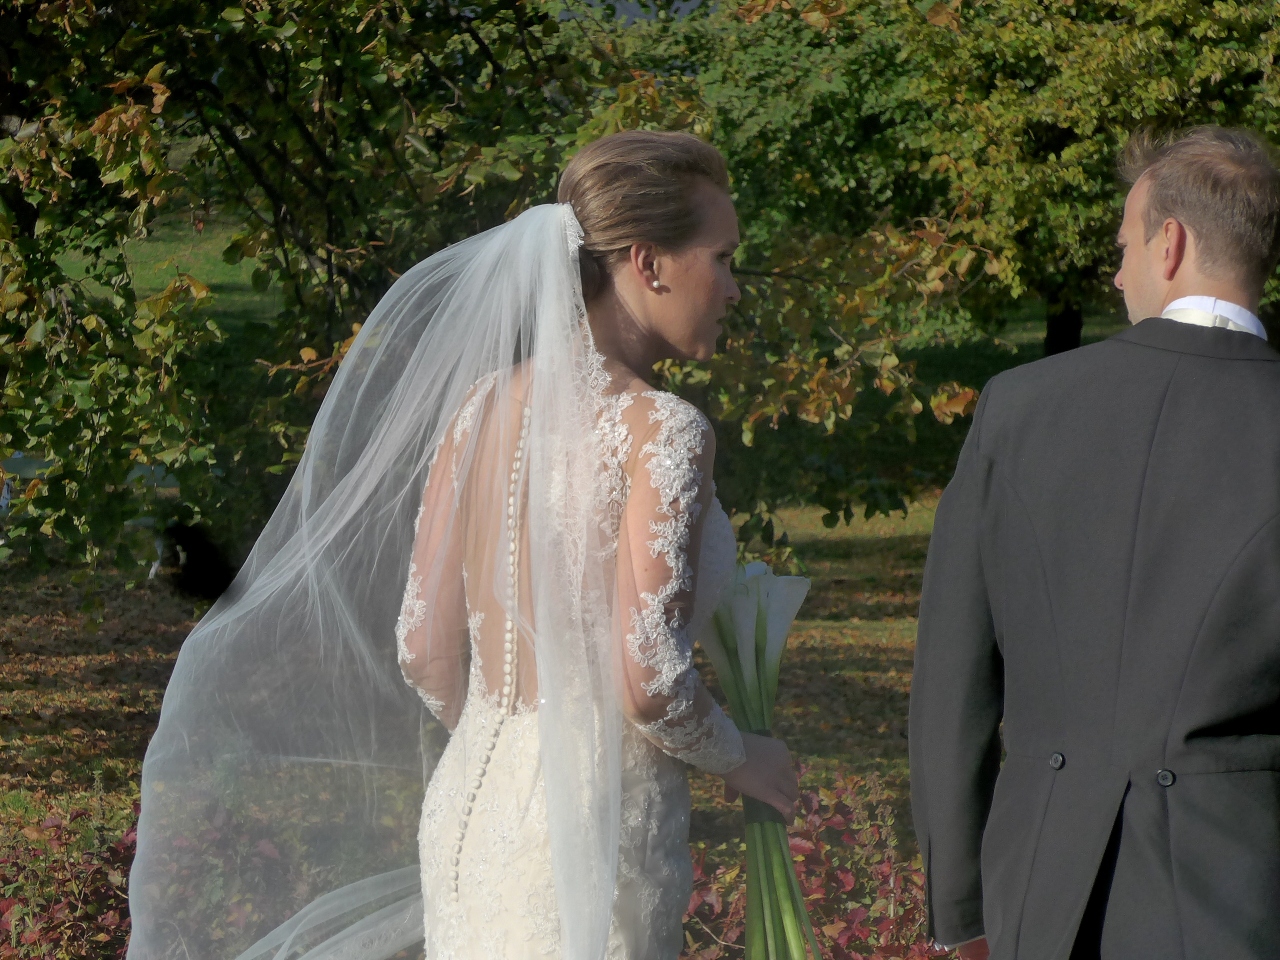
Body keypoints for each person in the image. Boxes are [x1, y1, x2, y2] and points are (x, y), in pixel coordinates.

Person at [126, 130, 799, 960]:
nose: (733, 288)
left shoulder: (478, 410)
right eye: (723, 258)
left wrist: (509, 743)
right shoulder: (661, 430)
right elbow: (648, 680)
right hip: (594, 829)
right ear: (648, 263)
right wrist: (742, 758)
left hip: (471, 816)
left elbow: (423, 647)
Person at [909, 125, 1280, 960]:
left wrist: (961, 909)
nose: (1116, 274)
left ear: (1170, 243)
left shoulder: (1018, 408)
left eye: (1124, 246)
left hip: (1043, 891)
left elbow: (953, 681)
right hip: (1248, 894)